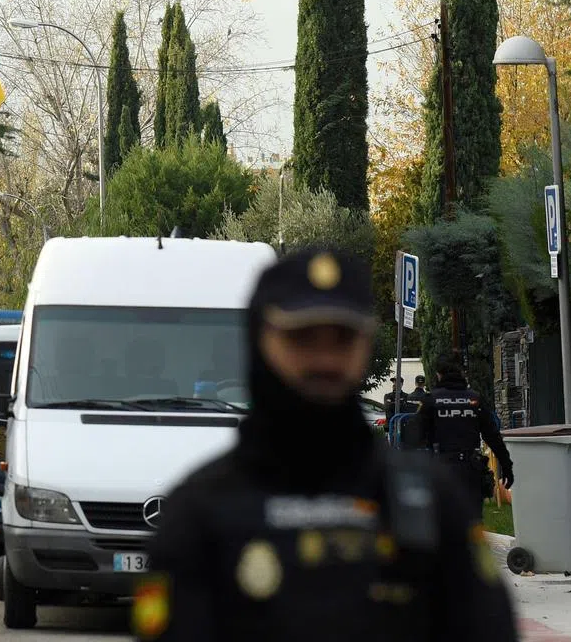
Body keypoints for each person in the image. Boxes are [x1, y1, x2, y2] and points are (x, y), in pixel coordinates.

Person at [134, 247, 518, 641]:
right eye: (302, 338)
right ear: (260, 340)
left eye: (342, 339)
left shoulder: (431, 501)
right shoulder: (200, 511)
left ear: (365, 345)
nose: (325, 359)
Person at [416, 354, 515, 515]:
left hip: (442, 468)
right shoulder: (474, 399)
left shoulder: (431, 400)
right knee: (472, 521)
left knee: (445, 521)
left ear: (438, 374)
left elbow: (414, 436)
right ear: (462, 373)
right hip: (471, 470)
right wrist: (506, 465)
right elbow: (493, 436)